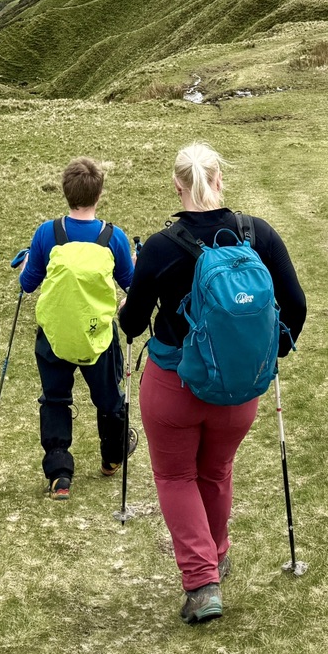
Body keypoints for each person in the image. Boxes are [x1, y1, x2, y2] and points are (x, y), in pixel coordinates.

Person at [120, 143, 307, 624]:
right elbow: (296, 306)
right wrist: (265, 356)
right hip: (239, 388)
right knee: (217, 470)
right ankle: (216, 556)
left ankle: (203, 582)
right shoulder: (258, 235)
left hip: (174, 386)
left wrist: (127, 304)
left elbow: (134, 323)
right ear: (220, 179)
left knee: (175, 476)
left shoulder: (161, 247)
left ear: (177, 186)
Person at [18, 157, 136, 499]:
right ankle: (112, 457)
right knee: (109, 398)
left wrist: (25, 262)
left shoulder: (47, 233)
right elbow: (131, 283)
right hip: (98, 335)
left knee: (55, 399)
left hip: (54, 335)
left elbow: (27, 284)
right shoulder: (113, 237)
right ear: (99, 194)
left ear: (65, 192)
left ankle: (59, 474)